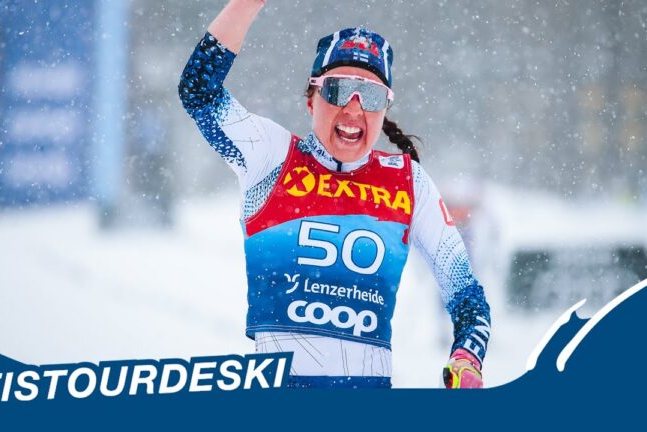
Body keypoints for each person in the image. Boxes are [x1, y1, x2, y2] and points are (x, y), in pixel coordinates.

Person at [178, 0, 491, 389]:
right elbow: (198, 90)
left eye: (372, 96)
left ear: (385, 109)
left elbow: (466, 295)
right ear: (311, 99)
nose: (354, 108)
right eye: (338, 89)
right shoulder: (271, 158)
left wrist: (467, 358)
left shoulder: (409, 183)